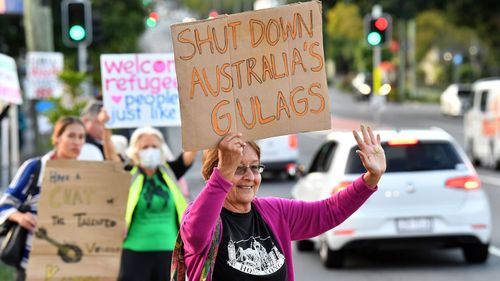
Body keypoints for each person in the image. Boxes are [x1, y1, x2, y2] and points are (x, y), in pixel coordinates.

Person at [173, 125, 385, 281]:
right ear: (214, 174)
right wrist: (224, 171)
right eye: (238, 168)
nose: (249, 176)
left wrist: (371, 178)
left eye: (255, 167)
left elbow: (328, 212)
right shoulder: (200, 217)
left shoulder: (274, 211)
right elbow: (196, 234)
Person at [0, 116, 86, 281]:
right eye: (71, 136)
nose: (77, 142)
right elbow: (4, 206)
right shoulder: (35, 167)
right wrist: (20, 217)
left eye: (81, 137)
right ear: (56, 138)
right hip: (33, 262)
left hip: (72, 264)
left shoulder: (88, 174)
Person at [116, 126, 196, 281]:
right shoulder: (128, 172)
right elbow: (111, 156)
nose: (150, 151)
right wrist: (106, 128)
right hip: (134, 251)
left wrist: (196, 124)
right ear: (135, 150)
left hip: (169, 251)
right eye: (145, 147)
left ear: (161, 149)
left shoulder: (170, 171)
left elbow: (191, 153)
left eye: (154, 146)